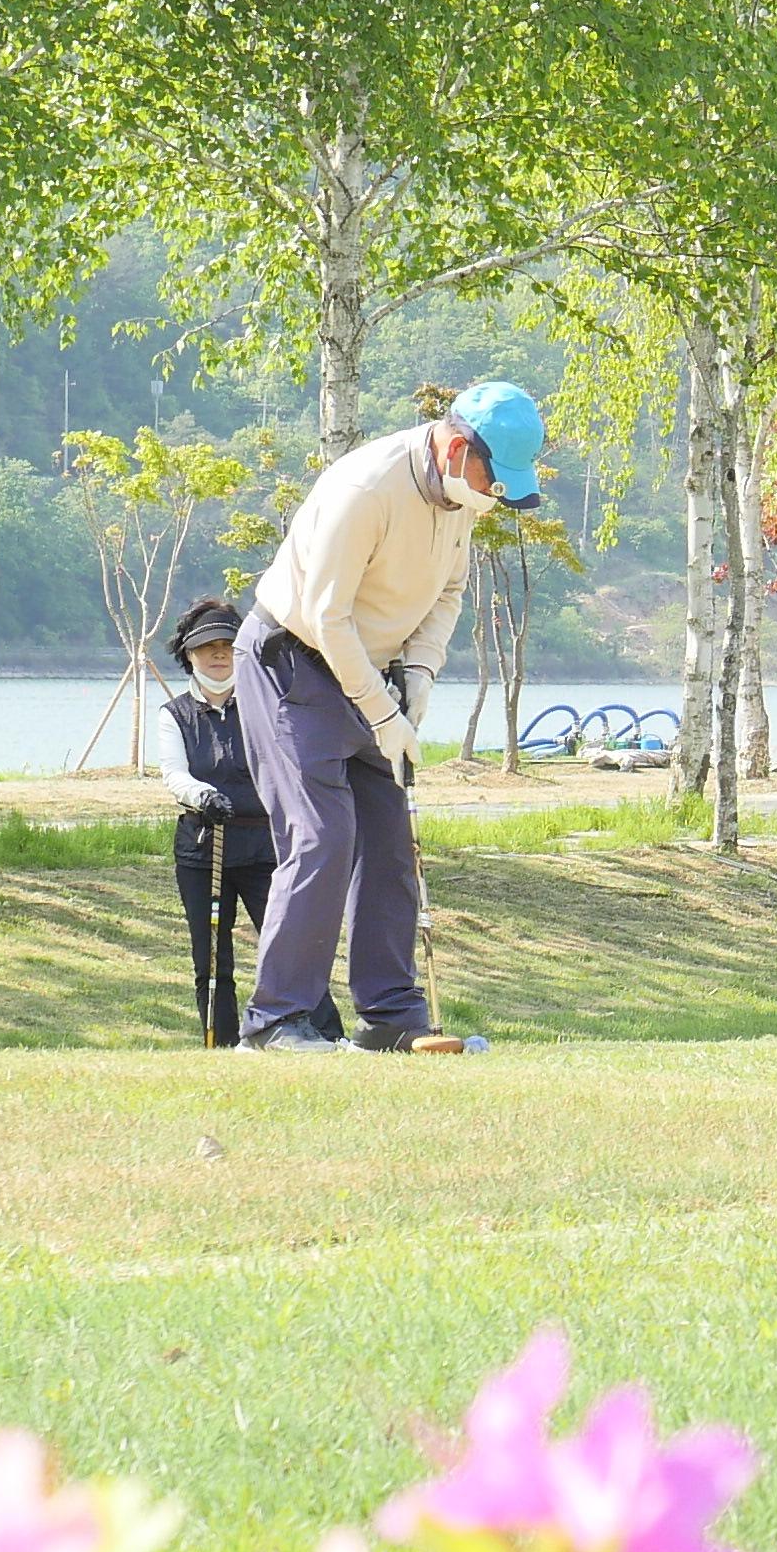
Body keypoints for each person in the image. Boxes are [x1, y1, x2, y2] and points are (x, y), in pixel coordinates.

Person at [234, 380, 546, 1053]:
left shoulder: (464, 493)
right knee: (322, 837)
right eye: (495, 477)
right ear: (459, 447)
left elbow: (451, 587)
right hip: (291, 661)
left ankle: (392, 1018)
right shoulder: (366, 490)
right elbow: (328, 617)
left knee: (389, 843)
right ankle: (276, 1022)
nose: (497, 495)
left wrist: (420, 674)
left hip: (374, 669)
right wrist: (382, 713)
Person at [159, 599, 280, 1047]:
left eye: (228, 645)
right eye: (206, 647)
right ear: (188, 655)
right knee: (211, 955)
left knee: (285, 940)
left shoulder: (263, 706)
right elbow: (175, 774)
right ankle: (222, 1041)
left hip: (264, 845)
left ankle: (309, 1030)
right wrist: (204, 795)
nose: (217, 654)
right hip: (203, 844)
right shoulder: (174, 715)